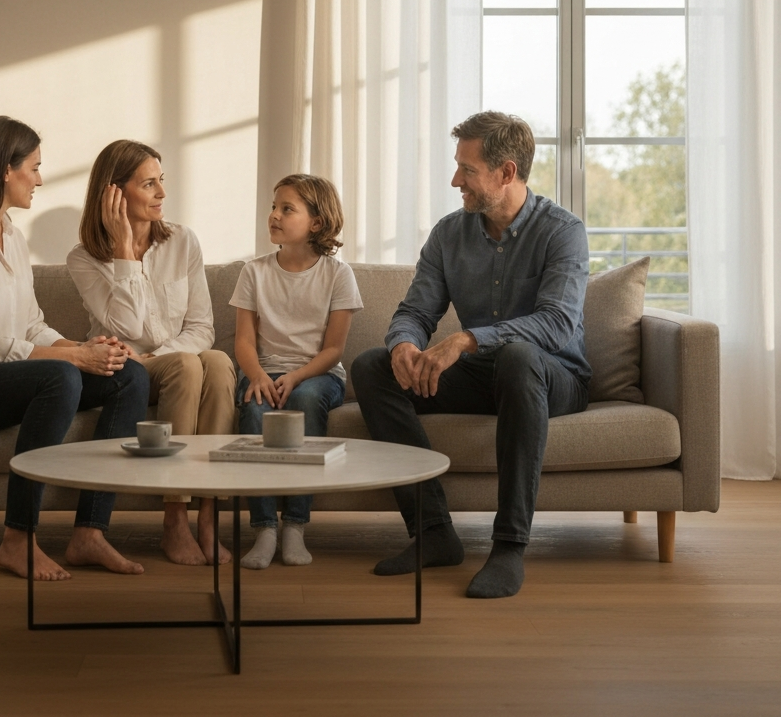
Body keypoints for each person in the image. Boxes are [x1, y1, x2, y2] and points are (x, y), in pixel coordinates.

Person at [351, 111, 591, 599]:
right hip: (487, 375)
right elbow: (415, 309)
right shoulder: (449, 234)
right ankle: (434, 532)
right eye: (457, 165)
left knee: (519, 357)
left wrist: (466, 339)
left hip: (553, 378)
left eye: (467, 168)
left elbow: (557, 324)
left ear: (506, 172)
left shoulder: (562, 231)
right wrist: (404, 344)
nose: (455, 178)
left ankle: (508, 547)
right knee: (371, 367)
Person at [0, 116, 151, 581]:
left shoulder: (12, 237)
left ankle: (89, 533)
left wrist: (84, 346)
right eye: (33, 168)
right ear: (4, 170)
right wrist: (75, 359)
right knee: (61, 375)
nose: (39, 179)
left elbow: (30, 324)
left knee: (129, 374)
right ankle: (18, 539)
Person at [67, 140, 236, 566]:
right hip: (124, 369)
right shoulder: (84, 258)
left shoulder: (183, 241)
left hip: (168, 363)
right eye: (149, 184)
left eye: (162, 181)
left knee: (216, 361)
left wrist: (158, 355)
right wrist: (125, 252)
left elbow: (202, 327)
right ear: (114, 193)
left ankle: (208, 516)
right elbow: (126, 328)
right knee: (186, 364)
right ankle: (174, 518)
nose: (162, 192)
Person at [230, 174, 363, 569]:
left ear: (316, 223)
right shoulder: (252, 272)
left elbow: (334, 349)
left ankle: (296, 524)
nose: (274, 215)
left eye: (287, 209)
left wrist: (297, 376)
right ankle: (265, 526)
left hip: (317, 375)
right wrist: (256, 376)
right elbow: (243, 342)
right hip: (264, 371)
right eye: (274, 206)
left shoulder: (338, 275)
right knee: (254, 410)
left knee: (304, 400)